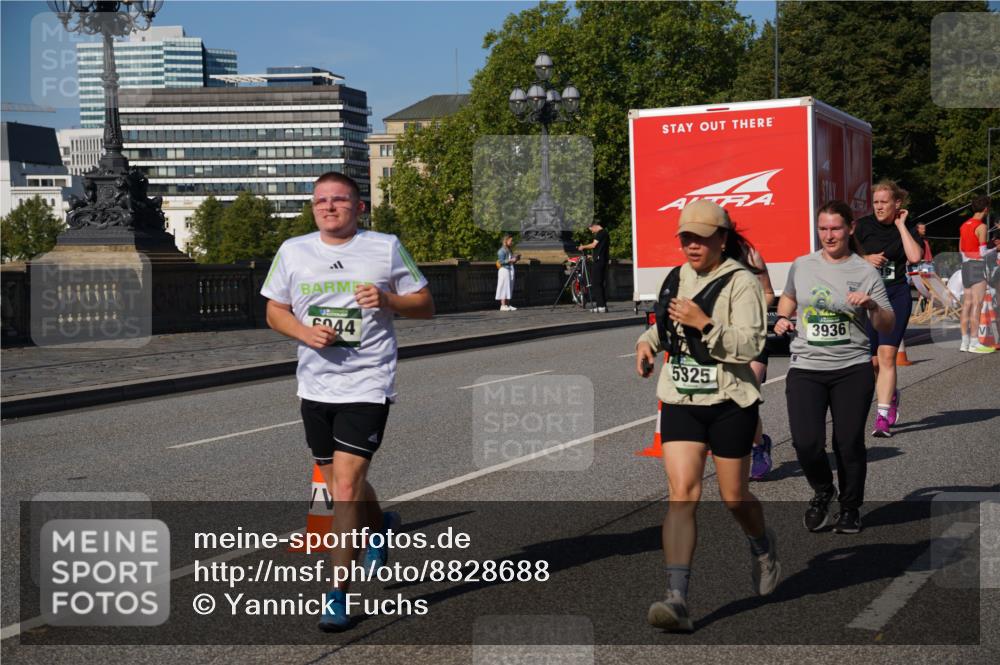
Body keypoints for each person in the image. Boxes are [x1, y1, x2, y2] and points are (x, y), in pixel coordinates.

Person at [260, 172, 434, 631]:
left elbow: (426, 304)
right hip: (314, 386)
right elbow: (274, 310)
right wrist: (304, 332)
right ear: (312, 207)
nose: (329, 207)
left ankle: (337, 595)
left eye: (339, 200)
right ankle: (380, 525)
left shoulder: (384, 246)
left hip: (367, 384)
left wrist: (388, 299)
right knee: (341, 478)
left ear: (359, 207)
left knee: (345, 489)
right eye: (321, 201)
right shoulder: (294, 251)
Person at [636, 200, 778, 633]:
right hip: (681, 398)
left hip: (729, 401)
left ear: (722, 237)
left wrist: (705, 324)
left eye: (701, 238)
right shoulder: (676, 277)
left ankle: (762, 546)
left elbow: (752, 345)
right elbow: (663, 327)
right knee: (683, 494)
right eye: (686, 238)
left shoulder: (741, 282)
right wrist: (646, 344)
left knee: (734, 497)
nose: (692, 246)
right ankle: (676, 597)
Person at [774, 201, 894, 535]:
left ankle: (850, 507)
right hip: (806, 367)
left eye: (835, 228)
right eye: (823, 228)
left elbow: (887, 323)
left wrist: (871, 305)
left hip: (851, 368)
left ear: (850, 229)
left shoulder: (865, 272)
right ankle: (823, 490)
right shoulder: (802, 264)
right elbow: (789, 297)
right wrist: (784, 316)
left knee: (848, 442)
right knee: (805, 442)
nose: (829, 235)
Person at [853, 180, 923, 438]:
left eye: (884, 202)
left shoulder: (908, 226)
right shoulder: (862, 227)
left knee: (886, 356)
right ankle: (890, 394)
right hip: (868, 299)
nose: (879, 207)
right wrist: (865, 259)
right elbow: (844, 257)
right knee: (872, 362)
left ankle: (882, 417)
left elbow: (915, 257)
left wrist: (902, 226)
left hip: (895, 296)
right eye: (875, 202)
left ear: (897, 204)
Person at [747, 245, 775, 480]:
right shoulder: (702, 262)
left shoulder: (752, 256)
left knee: (746, 397)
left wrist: (749, 313)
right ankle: (755, 443)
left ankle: (757, 450)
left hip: (753, 338)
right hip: (720, 343)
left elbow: (768, 293)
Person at [958, 195, 994, 354]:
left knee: (967, 304)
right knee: (977, 304)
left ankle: (964, 342)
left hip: (965, 266)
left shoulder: (964, 225)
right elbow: (983, 252)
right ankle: (974, 342)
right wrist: (996, 249)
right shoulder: (981, 227)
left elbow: (961, 249)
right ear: (986, 209)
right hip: (977, 266)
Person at [578, 221, 610, 312]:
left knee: (596, 283)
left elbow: (593, 245)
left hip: (599, 262)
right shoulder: (605, 233)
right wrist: (592, 256)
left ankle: (601, 306)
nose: (592, 232)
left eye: (591, 229)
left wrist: (583, 247)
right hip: (602, 260)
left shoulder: (600, 233)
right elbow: (601, 249)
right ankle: (603, 306)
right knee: (600, 283)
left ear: (594, 226)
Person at [495, 233, 520, 311]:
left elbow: (511, 261)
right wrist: (510, 260)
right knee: (503, 287)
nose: (512, 242)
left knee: (509, 287)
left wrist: (516, 259)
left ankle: (508, 304)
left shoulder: (509, 250)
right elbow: (501, 262)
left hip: (509, 269)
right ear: (506, 241)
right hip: (504, 270)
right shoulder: (501, 251)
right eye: (511, 241)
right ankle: (502, 305)